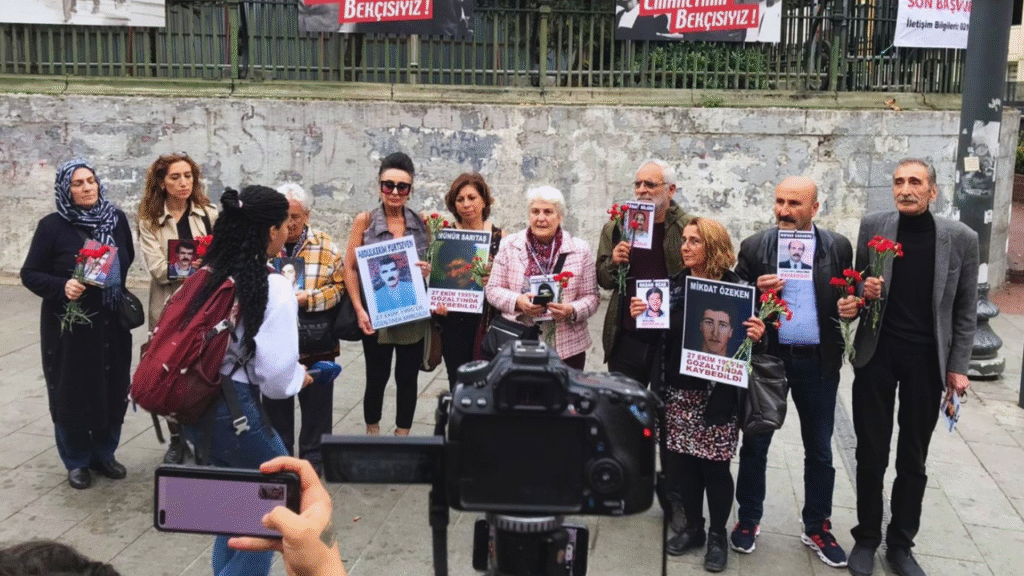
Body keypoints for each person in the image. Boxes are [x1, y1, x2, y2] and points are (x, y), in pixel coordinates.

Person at [839, 159, 978, 576]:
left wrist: (958, 366)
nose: (905, 189)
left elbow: (965, 309)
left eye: (915, 182)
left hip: (926, 360)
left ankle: (900, 544)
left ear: (932, 191)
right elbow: (855, 284)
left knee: (913, 458)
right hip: (877, 355)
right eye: (899, 181)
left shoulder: (961, 238)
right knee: (870, 452)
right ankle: (866, 538)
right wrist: (860, 291)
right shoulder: (874, 226)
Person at [177, 185, 311, 576]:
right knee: (279, 496)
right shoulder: (274, 285)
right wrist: (301, 379)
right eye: (284, 225)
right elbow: (276, 378)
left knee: (239, 506)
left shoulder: (208, 271)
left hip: (195, 400)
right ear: (271, 231)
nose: (288, 231)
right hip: (234, 408)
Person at [629, 217, 764, 573]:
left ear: (713, 247)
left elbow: (753, 348)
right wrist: (642, 317)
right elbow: (652, 339)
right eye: (685, 239)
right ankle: (693, 527)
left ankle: (718, 535)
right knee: (684, 466)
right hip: (677, 392)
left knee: (715, 468)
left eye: (694, 241)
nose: (685, 246)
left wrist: (758, 334)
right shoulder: (673, 285)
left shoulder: (738, 289)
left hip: (717, 394)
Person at [732, 176, 853, 566]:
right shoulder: (756, 246)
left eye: (794, 204)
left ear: (814, 208)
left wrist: (853, 306)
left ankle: (817, 525)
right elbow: (735, 297)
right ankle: (748, 518)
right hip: (770, 360)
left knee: (820, 450)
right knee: (756, 444)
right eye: (780, 201)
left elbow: (847, 296)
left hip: (818, 362)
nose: (784, 210)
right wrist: (755, 288)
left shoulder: (837, 246)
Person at [21, 159, 135, 490]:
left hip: (110, 322)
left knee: (113, 387)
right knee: (71, 390)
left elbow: (126, 258)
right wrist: (63, 286)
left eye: (90, 181)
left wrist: (110, 280)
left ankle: (104, 453)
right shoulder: (52, 227)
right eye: (77, 183)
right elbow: (30, 273)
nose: (86, 188)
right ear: (65, 190)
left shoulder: (116, 219)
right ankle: (77, 460)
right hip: (70, 326)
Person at [138, 152, 218, 465]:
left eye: (188, 176)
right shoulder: (150, 220)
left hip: (205, 305)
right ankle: (176, 439)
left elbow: (220, 256)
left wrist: (208, 263)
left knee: (203, 370)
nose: (184, 183)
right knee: (167, 372)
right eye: (175, 177)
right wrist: (194, 265)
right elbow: (158, 269)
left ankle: (203, 435)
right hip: (168, 307)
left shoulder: (208, 214)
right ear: (162, 182)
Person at [344, 152, 431, 436]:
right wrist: (359, 309)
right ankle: (373, 432)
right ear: (379, 186)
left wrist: (427, 269)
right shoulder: (365, 221)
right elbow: (350, 268)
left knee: (408, 377)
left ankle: (403, 434)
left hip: (411, 312)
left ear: (410, 190)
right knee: (376, 376)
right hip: (376, 313)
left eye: (402, 187)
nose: (394, 192)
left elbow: (431, 264)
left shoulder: (422, 223)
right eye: (388, 185)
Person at [263, 183, 345, 476]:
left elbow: (339, 287)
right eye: (284, 216)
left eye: (295, 216)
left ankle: (314, 461)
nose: (290, 223)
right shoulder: (265, 242)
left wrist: (308, 298)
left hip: (316, 338)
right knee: (275, 403)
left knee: (317, 406)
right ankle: (280, 458)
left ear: (307, 215)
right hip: (275, 338)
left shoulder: (325, 245)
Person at [597, 159, 694, 385]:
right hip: (627, 338)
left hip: (670, 341)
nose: (642, 190)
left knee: (663, 405)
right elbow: (603, 280)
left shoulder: (688, 229)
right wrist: (613, 262)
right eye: (638, 184)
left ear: (671, 190)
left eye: (650, 184)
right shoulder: (617, 227)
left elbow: (701, 279)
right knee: (625, 404)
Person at [485, 186, 599, 370]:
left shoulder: (580, 250)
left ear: (560, 217)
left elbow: (592, 298)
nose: (540, 218)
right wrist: (518, 301)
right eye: (535, 211)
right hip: (518, 340)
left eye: (548, 212)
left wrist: (571, 309)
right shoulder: (509, 245)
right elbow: (492, 290)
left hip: (567, 348)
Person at [433, 173, 504, 389]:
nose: (466, 204)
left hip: (488, 321)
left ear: (484, 201)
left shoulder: (500, 237)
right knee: (458, 381)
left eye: (472, 198)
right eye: (460, 199)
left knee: (488, 381)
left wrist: (494, 278)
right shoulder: (445, 235)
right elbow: (438, 279)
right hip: (454, 321)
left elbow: (510, 280)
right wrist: (437, 302)